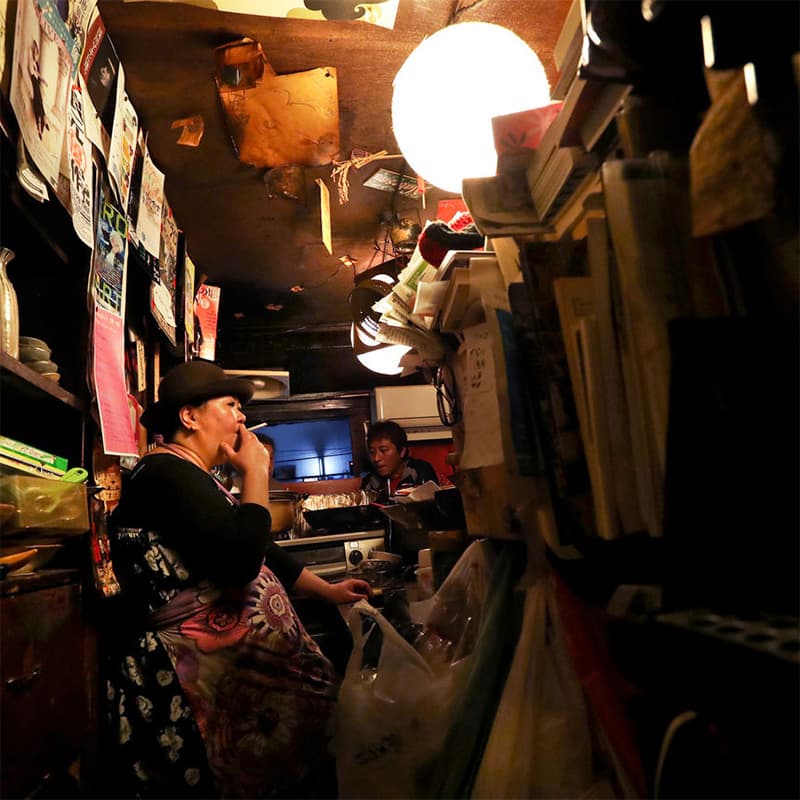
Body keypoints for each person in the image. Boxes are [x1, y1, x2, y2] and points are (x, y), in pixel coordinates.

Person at [104, 360, 371, 798]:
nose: (242, 416)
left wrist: (327, 590)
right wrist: (257, 474)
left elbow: (258, 546)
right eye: (230, 404)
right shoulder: (166, 473)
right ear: (189, 417)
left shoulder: (191, 475)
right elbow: (239, 563)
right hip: (190, 682)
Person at [361, 419, 438, 502]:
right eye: (372, 452)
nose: (376, 458)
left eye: (383, 450)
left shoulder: (420, 471)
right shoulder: (369, 482)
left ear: (402, 451)